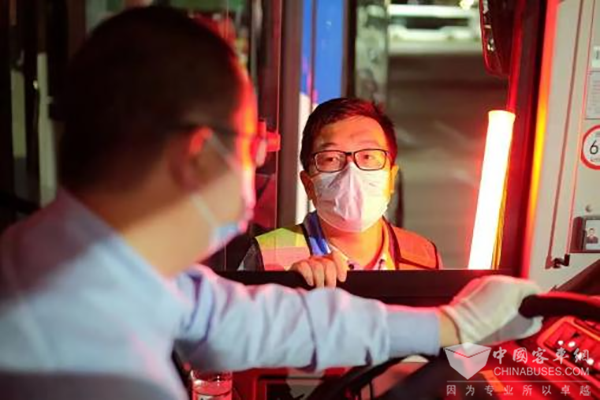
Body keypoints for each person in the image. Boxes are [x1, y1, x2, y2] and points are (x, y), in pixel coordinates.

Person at [0, 7, 542, 400]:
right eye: (250, 146)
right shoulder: (85, 361)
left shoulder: (104, 266)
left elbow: (262, 322)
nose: (259, 164)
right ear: (195, 157)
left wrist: (451, 324)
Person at [241, 98, 441, 287]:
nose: (351, 171)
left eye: (368, 156)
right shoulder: (267, 256)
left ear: (391, 178)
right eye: (331, 158)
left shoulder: (424, 258)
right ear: (308, 184)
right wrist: (289, 290)